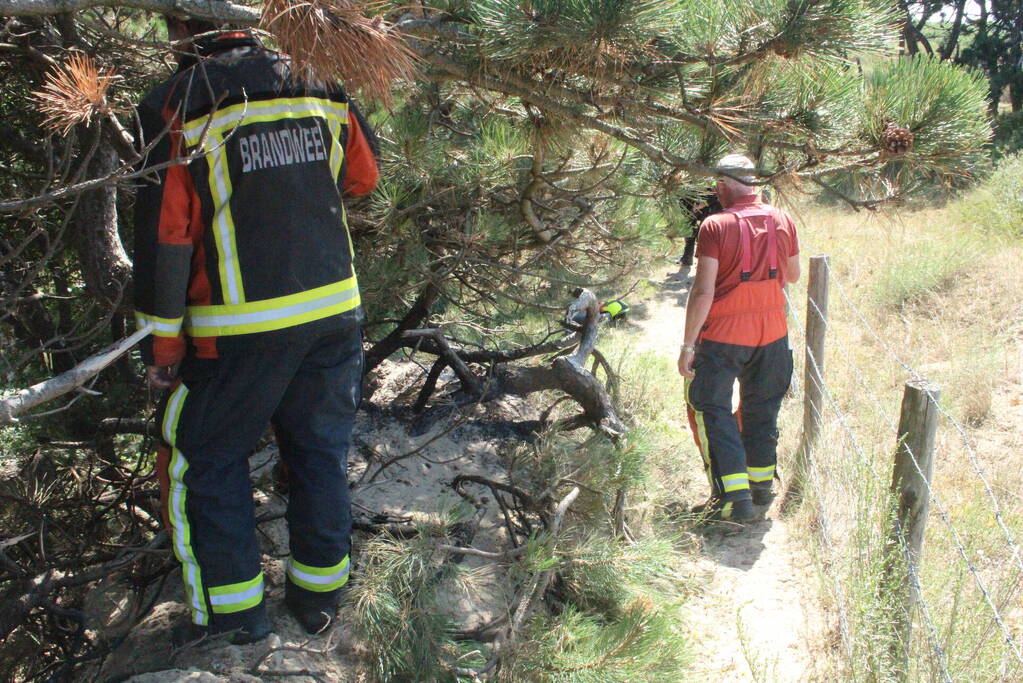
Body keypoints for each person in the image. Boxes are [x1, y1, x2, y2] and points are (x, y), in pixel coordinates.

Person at [132, 15, 379, 642]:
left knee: (203, 457)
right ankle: (319, 598)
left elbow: (166, 233)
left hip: (236, 328)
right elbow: (363, 178)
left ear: (180, 27)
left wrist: (162, 347)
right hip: (333, 312)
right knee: (320, 452)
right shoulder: (318, 79)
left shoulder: (176, 101)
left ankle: (235, 616)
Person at [676, 154, 800, 523]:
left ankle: (733, 501)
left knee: (711, 408)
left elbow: (702, 292)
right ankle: (760, 487)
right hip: (773, 333)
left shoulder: (714, 226)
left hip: (724, 336)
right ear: (754, 183)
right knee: (762, 410)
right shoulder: (783, 218)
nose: (715, 190)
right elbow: (792, 276)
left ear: (724, 185)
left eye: (717, 185)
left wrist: (687, 344)